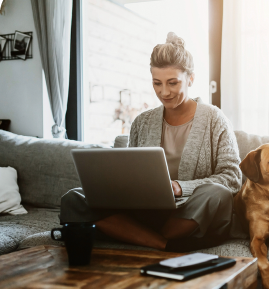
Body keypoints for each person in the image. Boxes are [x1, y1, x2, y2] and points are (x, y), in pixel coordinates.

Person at [59, 32, 242, 252]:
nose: (164, 92)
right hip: (146, 211)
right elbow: (130, 173)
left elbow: (231, 178)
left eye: (173, 83)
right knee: (73, 198)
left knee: (217, 194)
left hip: (190, 212)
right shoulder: (142, 122)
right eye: (157, 83)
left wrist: (179, 187)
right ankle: (164, 244)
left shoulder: (215, 119)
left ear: (191, 79)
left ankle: (134, 235)